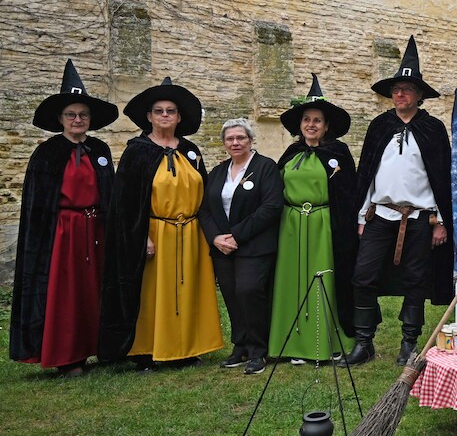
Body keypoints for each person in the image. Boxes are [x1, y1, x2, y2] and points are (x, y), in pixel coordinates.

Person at [98, 78, 223, 371]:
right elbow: (125, 203)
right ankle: (148, 350)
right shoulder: (137, 151)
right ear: (149, 117)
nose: (165, 115)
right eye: (159, 111)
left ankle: (187, 348)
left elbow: (205, 194)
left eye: (171, 111)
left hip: (191, 233)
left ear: (179, 117)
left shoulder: (191, 150)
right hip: (155, 232)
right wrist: (142, 237)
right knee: (153, 294)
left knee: (189, 290)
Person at [343, 36, 453, 367]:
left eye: (406, 89)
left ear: (419, 95)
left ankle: (408, 344)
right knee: (362, 276)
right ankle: (364, 342)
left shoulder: (433, 129)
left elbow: (441, 177)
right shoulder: (380, 126)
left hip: (419, 217)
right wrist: (361, 217)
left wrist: (441, 221)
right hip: (380, 215)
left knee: (416, 279)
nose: (400, 94)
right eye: (396, 89)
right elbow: (367, 174)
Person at [9, 60, 118, 376]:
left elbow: (110, 192)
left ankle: (98, 347)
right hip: (63, 234)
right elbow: (37, 205)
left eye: (83, 115)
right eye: (71, 115)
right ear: (60, 119)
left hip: (96, 230)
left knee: (94, 291)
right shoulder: (47, 153)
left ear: (90, 119)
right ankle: (68, 357)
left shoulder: (100, 149)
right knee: (66, 294)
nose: (77, 120)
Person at [269, 74, 357, 366]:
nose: (311, 125)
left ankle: (327, 343)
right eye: (306, 120)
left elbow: (348, 193)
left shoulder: (338, 153)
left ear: (326, 125)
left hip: (323, 225)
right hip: (291, 226)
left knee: (324, 279)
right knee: (291, 281)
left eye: (317, 120)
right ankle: (291, 343)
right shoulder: (291, 154)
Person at [199, 118, 284, 375]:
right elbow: (204, 210)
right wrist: (215, 238)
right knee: (232, 295)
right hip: (223, 248)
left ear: (250, 140)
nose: (235, 142)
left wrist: (236, 235)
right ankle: (240, 345)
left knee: (249, 291)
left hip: (254, 245)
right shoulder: (218, 171)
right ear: (224, 143)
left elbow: (271, 207)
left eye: (241, 138)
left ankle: (258, 350)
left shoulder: (265, 167)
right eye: (230, 139)